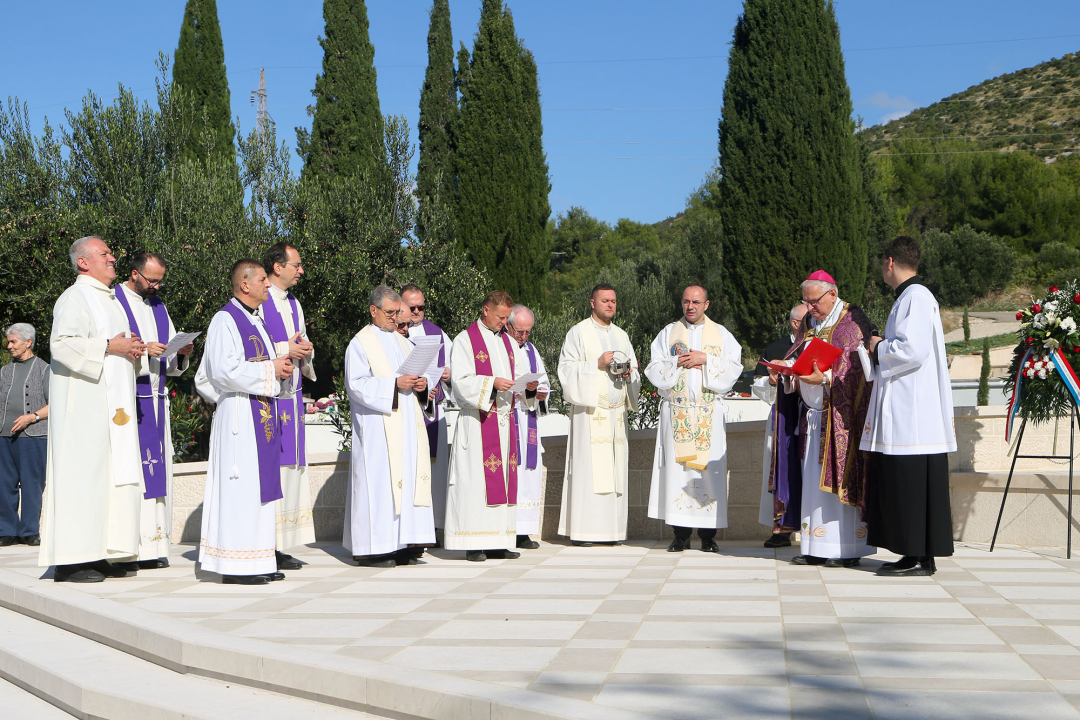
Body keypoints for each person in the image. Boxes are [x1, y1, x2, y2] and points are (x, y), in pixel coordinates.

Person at [40, 236, 146, 583]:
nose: (113, 258)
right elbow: (61, 345)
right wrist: (109, 345)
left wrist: (131, 349)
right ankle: (71, 561)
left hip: (111, 407)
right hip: (83, 408)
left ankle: (101, 551)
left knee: (107, 479)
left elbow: (115, 347)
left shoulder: (111, 300)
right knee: (82, 480)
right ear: (84, 262)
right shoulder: (75, 296)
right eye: (105, 254)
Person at [195, 259, 294, 585]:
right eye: (263, 279)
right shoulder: (225, 320)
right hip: (240, 417)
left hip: (259, 413)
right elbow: (222, 372)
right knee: (241, 490)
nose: (269, 285)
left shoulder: (256, 321)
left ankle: (258, 558)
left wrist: (281, 367)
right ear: (245, 284)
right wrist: (271, 370)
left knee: (258, 490)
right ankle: (236, 566)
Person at [863, 236, 956, 577]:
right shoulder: (910, 297)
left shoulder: (915, 297)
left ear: (890, 262)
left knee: (911, 484)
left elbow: (912, 350)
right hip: (909, 411)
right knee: (905, 484)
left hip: (912, 415)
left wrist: (877, 346)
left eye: (881, 263)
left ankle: (919, 555)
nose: (881, 269)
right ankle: (912, 552)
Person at [769, 270, 874, 568]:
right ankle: (815, 545)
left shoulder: (852, 322)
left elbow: (857, 370)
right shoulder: (810, 322)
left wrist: (825, 377)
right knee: (812, 485)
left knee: (839, 482)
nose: (809, 307)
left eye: (814, 301)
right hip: (812, 417)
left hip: (841, 418)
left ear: (832, 293)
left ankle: (846, 549)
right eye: (805, 301)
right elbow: (804, 357)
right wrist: (786, 366)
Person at [343, 286, 439, 567]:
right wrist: (394, 385)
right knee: (380, 485)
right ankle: (374, 548)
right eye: (390, 313)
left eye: (398, 312)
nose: (396, 318)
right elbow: (356, 386)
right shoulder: (360, 343)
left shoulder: (403, 342)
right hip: (378, 429)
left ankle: (404, 543)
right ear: (373, 310)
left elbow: (420, 375)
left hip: (408, 427)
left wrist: (423, 384)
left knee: (408, 481)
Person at [645, 285, 742, 552]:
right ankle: (680, 535)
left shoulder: (721, 334)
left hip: (708, 414)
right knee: (678, 475)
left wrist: (706, 359)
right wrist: (676, 362)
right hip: (677, 414)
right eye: (686, 301)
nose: (691, 307)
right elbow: (652, 367)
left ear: (706, 304)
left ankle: (708, 538)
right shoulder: (668, 333)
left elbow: (735, 368)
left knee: (709, 474)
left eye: (696, 302)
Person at [115, 253, 193, 570]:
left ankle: (154, 546)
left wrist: (179, 352)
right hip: (131, 403)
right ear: (135, 274)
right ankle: (130, 548)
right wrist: (144, 351)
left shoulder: (158, 307)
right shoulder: (115, 301)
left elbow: (170, 364)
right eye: (152, 280)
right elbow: (113, 349)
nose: (157, 286)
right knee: (134, 471)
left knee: (157, 471)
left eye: (160, 280)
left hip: (157, 400)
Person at [444, 291, 524, 562]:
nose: (504, 322)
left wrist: (528, 386)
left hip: (504, 420)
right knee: (475, 483)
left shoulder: (509, 343)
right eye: (500, 317)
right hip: (478, 422)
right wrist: (491, 384)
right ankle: (474, 542)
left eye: (506, 318)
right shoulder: (465, 340)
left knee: (503, 481)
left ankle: (499, 541)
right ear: (485, 310)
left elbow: (519, 376)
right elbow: (461, 382)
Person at [557, 284, 640, 546]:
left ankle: (613, 532)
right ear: (592, 303)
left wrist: (629, 375)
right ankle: (585, 532)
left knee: (614, 473)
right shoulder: (578, 333)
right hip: (590, 415)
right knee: (589, 472)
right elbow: (566, 371)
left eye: (613, 301)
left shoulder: (621, 335)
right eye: (605, 300)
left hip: (615, 417)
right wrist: (596, 364)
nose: (610, 305)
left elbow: (635, 369)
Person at [262, 243, 317, 572]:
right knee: (274, 471)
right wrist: (289, 347)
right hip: (269, 400)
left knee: (292, 471)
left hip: (292, 397)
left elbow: (300, 342)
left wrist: (306, 349)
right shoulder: (260, 298)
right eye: (296, 265)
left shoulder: (294, 303)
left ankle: (282, 544)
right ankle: (267, 541)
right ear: (277, 267)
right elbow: (255, 344)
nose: (301, 270)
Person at [752, 304, 808, 549]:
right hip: (782, 420)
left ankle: (810, 529)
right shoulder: (775, 348)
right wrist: (773, 380)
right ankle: (780, 529)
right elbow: (757, 384)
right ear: (796, 324)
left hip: (809, 418)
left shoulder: (812, 345)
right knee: (779, 472)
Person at [400, 284, 452, 539]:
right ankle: (410, 528)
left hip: (433, 412)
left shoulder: (437, 333)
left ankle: (435, 526)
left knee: (435, 472)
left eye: (422, 306)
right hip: (406, 411)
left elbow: (453, 366)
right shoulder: (395, 332)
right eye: (413, 307)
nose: (418, 311)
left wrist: (449, 374)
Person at [0, 323, 50, 547]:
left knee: (32, 484)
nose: (9, 346)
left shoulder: (45, 369)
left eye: (13, 342)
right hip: (4, 436)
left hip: (34, 436)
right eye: (8, 342)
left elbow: (55, 404)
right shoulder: (4, 371)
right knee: (4, 484)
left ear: (28, 342)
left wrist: (32, 417)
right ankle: (7, 530)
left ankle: (29, 531)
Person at [507, 304, 550, 550]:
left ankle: (523, 532)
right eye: (519, 332)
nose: (523, 337)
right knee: (513, 473)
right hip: (511, 417)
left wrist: (542, 393)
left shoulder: (532, 351)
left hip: (529, 419)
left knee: (528, 476)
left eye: (528, 332)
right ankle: (508, 529)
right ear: (509, 326)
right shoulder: (502, 347)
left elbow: (542, 380)